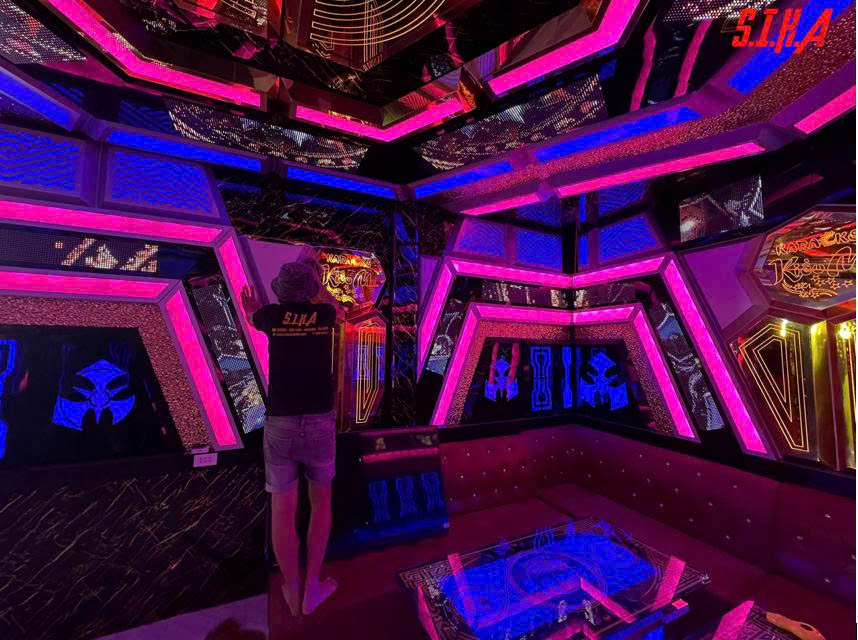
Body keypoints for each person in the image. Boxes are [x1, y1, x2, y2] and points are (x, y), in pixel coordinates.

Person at [240, 255, 344, 617]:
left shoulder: (270, 316)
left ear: (280, 292)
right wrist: (319, 282)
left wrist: (250, 305)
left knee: (283, 510)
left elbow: (251, 315)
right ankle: (312, 586)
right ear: (310, 290)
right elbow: (339, 309)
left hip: (281, 422)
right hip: (319, 422)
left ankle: (291, 586)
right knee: (321, 505)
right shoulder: (324, 315)